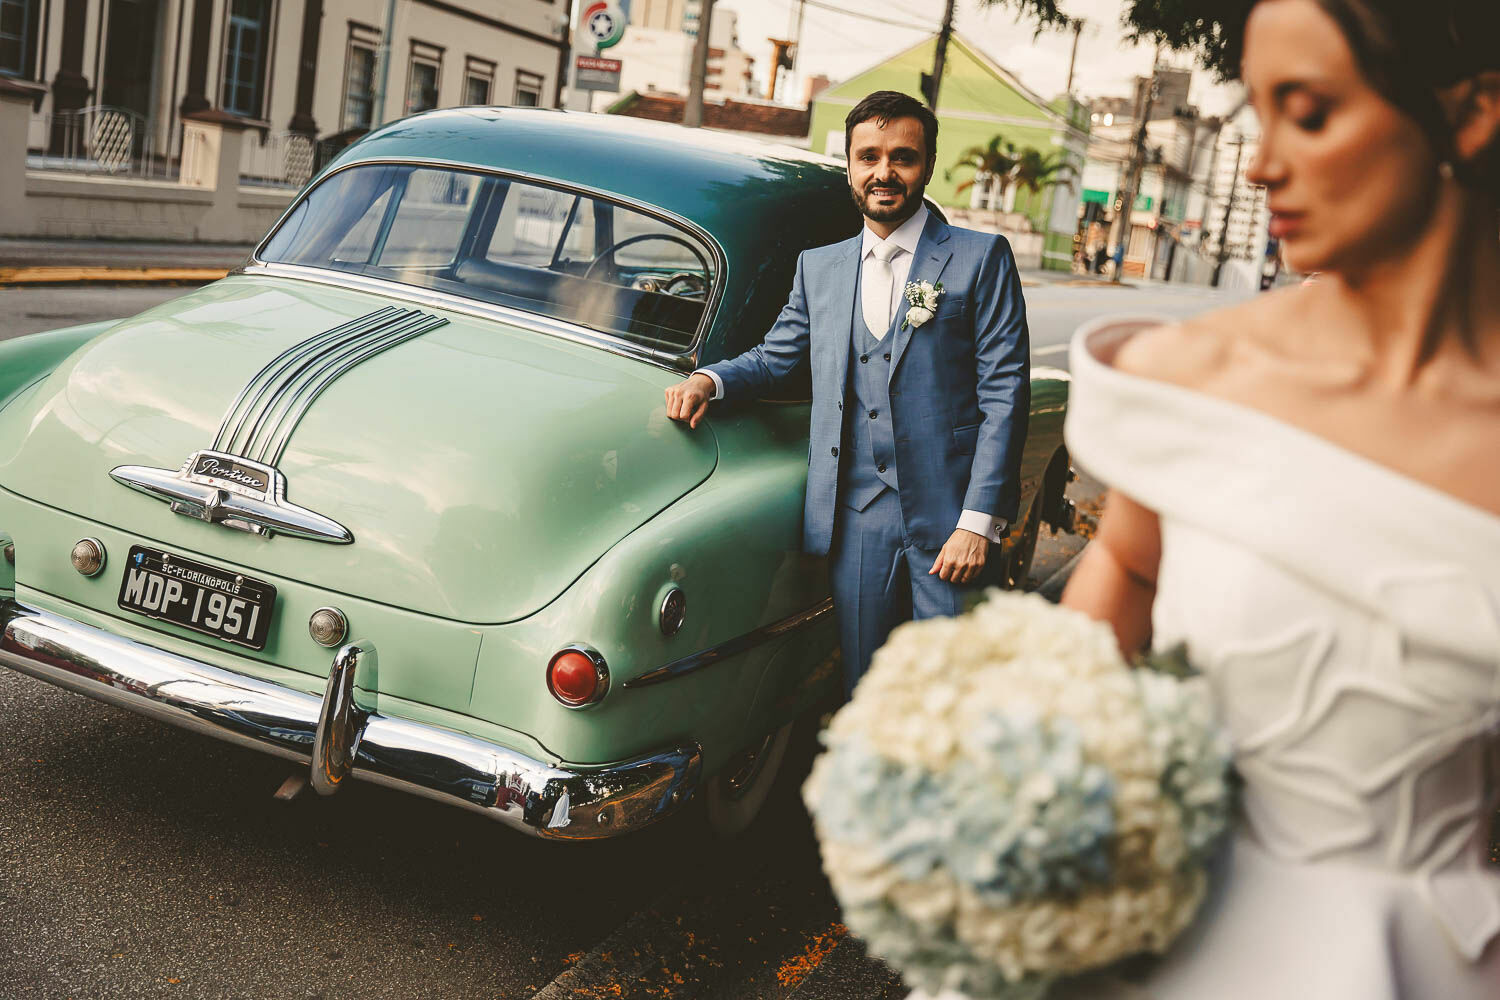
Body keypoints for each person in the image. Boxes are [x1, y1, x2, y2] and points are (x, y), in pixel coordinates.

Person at [1040, 1, 1499, 997]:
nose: (1259, 165)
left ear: (1470, 116)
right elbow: (1126, 566)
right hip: (1154, 933)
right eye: (1260, 113)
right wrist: (1045, 794)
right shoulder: (1195, 376)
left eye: (1312, 113)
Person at [664, 90, 1030, 698]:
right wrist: (712, 380)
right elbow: (776, 357)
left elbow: (1004, 391)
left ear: (927, 167)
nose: (884, 172)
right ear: (851, 167)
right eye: (869, 157)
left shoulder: (980, 258)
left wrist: (979, 521)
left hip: (951, 516)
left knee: (952, 690)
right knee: (867, 684)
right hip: (859, 518)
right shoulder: (820, 267)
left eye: (902, 157)